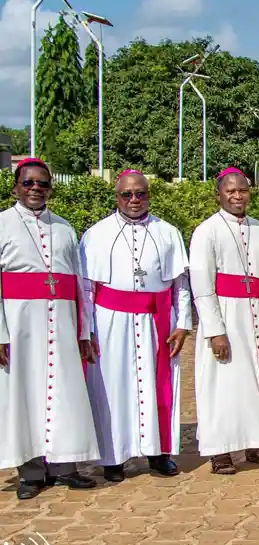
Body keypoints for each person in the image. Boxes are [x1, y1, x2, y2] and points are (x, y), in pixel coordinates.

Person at [80, 170, 192, 481]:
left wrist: (183, 323)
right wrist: (87, 330)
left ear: (148, 195)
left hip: (157, 320)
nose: (134, 200)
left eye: (140, 193)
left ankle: (159, 454)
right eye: (127, 194)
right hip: (110, 321)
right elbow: (87, 289)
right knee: (112, 388)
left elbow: (181, 284)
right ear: (117, 197)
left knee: (158, 385)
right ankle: (113, 459)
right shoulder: (96, 234)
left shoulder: (167, 232)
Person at [0, 158, 99, 499]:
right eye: (28, 183)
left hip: (63, 324)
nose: (36, 189)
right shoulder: (3, 223)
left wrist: (84, 331)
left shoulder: (64, 227)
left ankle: (65, 467)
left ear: (51, 188)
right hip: (20, 327)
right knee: (24, 395)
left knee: (65, 394)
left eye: (42, 183)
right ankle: (30, 473)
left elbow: (79, 283)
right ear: (16, 186)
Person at [189, 168, 259, 474]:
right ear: (219, 194)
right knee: (222, 385)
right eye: (230, 191)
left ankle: (256, 443)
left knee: (255, 382)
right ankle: (220, 451)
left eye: (242, 190)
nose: (237, 196)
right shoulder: (206, 231)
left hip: (255, 314)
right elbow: (202, 286)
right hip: (226, 315)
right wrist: (215, 330)